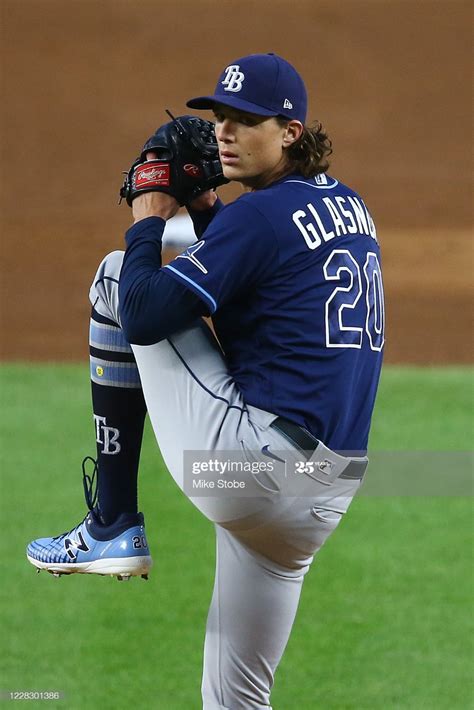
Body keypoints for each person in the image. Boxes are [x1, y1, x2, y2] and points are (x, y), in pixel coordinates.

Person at [27, 53, 385, 708]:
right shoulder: (348, 207)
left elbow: (142, 313)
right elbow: (258, 286)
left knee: (116, 275)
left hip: (250, 476)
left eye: (244, 120)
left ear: (290, 131)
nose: (223, 131)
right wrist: (206, 205)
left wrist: (151, 213)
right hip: (323, 497)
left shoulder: (260, 219)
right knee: (234, 701)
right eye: (219, 116)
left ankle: (111, 522)